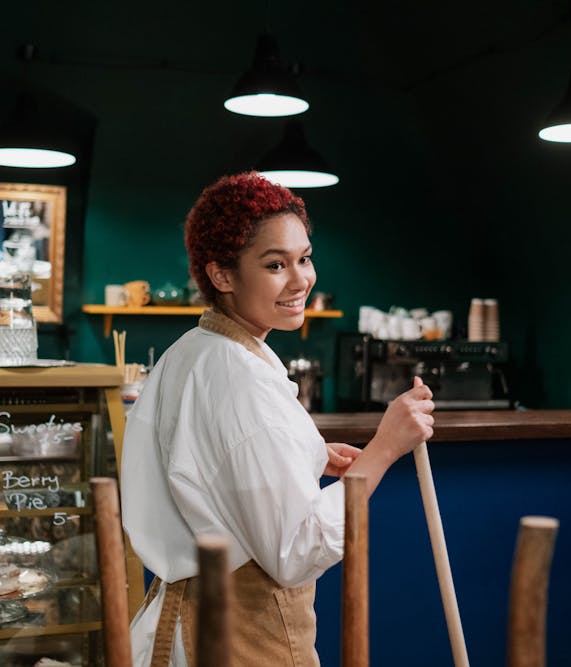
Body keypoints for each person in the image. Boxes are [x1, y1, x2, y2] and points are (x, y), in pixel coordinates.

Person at [120, 172, 435, 666]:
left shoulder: (194, 350)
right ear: (222, 275)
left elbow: (209, 470)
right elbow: (297, 551)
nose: (301, 279)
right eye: (275, 264)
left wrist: (305, 454)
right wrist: (385, 447)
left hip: (187, 625)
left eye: (304, 258)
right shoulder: (238, 378)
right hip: (238, 640)